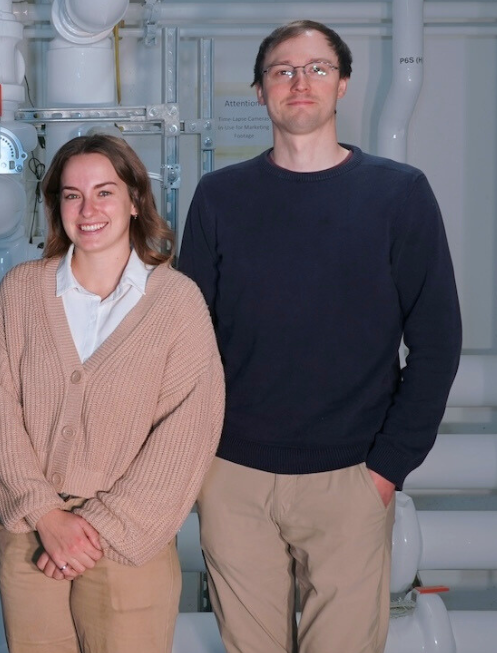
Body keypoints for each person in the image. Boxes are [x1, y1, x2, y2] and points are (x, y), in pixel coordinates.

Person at [179, 20, 462, 653]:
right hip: (233, 477)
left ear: (342, 86)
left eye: (316, 68)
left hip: (352, 475)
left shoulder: (400, 195)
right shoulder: (220, 198)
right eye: (283, 70)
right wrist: (200, 466)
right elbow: (185, 339)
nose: (299, 81)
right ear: (260, 92)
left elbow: (438, 341)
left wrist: (388, 468)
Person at [0, 133, 225, 653]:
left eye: (104, 192)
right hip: (30, 537)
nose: (87, 209)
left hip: (131, 542)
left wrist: (94, 531)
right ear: (55, 206)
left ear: (135, 201)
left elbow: (188, 431)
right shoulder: (21, 292)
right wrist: (46, 515)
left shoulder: (177, 303)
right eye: (71, 195)